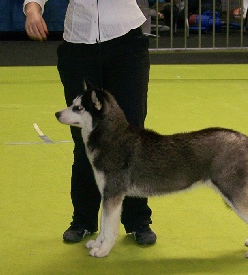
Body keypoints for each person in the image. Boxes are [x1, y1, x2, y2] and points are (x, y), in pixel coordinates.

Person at [23, 0, 157, 245]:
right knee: (84, 138)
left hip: (126, 41)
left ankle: (138, 220)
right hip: (78, 44)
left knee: (131, 136)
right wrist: (32, 8)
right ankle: (83, 219)